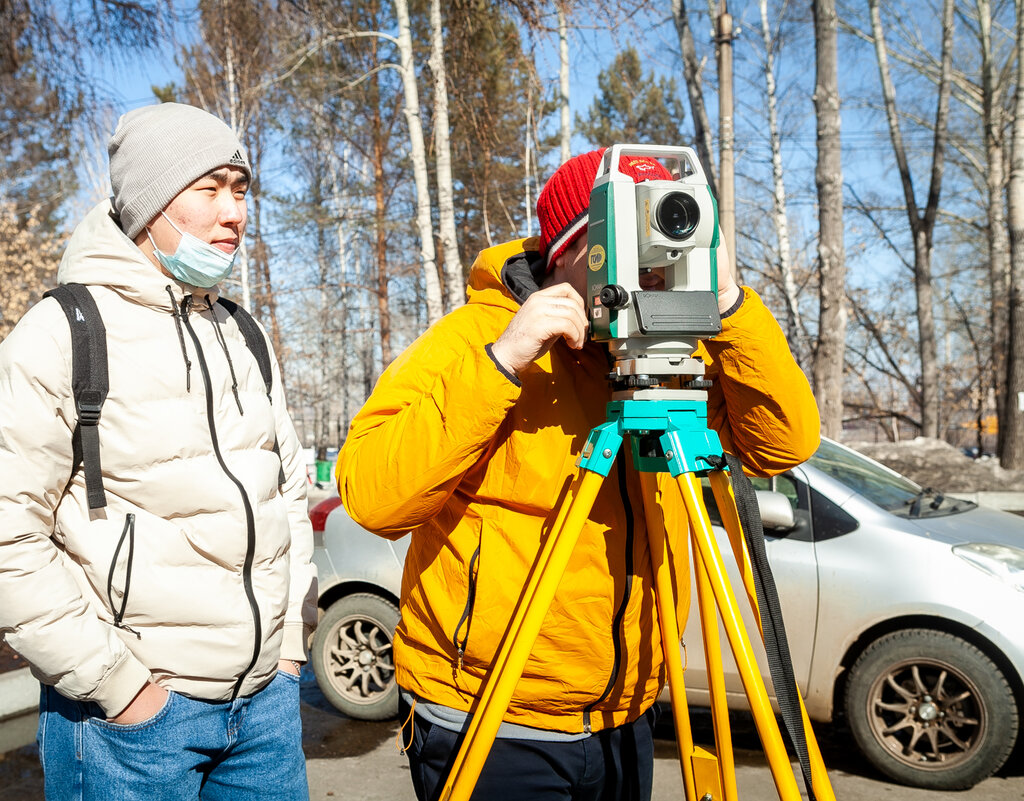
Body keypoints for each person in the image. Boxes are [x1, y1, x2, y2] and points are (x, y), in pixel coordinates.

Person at [335, 148, 820, 801]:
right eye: (632, 247)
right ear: (569, 253)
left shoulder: (672, 353)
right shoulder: (477, 337)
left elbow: (782, 444)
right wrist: (502, 363)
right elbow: (372, 494)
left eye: (668, 247)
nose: (654, 271)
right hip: (492, 716)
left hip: (627, 716)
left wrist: (730, 303)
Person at [0, 103, 316, 801]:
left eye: (240, 190)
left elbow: (285, 492)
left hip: (265, 709)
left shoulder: (244, 334)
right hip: (135, 724)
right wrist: (121, 689)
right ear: (151, 202)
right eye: (209, 189)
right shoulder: (63, 330)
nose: (234, 212)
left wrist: (291, 646)